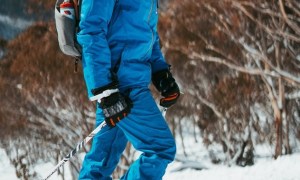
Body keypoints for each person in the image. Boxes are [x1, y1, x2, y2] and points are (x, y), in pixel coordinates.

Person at [77, 0, 180, 179]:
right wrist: (105, 91)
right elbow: (91, 30)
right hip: (120, 84)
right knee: (160, 149)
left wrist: (160, 72)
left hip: (128, 81)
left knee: (101, 163)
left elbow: (148, 33)